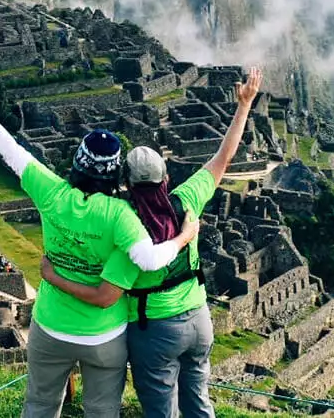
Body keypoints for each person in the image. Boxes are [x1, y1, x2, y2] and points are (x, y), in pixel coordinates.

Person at [0, 74, 199, 418]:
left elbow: (9, 148)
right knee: (102, 411)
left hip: (51, 326)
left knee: (39, 405)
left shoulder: (52, 193)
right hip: (103, 335)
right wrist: (183, 237)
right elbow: (149, 259)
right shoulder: (122, 215)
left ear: (77, 164)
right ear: (116, 176)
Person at [40, 67, 263, 418]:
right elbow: (224, 159)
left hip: (155, 328)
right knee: (199, 401)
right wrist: (245, 104)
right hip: (199, 320)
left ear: (125, 181)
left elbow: (102, 282)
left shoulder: (125, 222)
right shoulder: (186, 200)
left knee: (162, 411)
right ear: (166, 176)